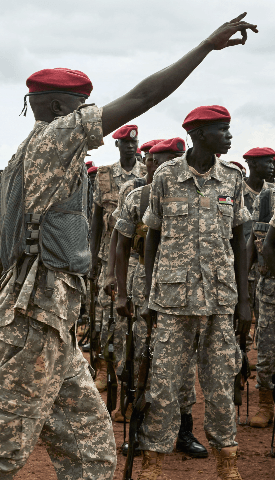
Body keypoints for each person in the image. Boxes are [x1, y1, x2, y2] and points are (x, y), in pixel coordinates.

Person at [0, 13, 258, 480]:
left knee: (91, 450)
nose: (92, 115)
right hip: (38, 318)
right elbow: (144, 97)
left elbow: (6, 255)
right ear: (63, 107)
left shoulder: (22, 156)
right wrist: (206, 45)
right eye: (83, 105)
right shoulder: (57, 135)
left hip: (49, 319)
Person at [140, 104, 253, 479]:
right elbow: (152, 235)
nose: (230, 136)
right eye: (223, 130)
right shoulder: (166, 177)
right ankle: (153, 463)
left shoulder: (233, 179)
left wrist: (244, 300)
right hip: (173, 301)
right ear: (200, 134)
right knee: (164, 384)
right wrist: (149, 295)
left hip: (220, 299)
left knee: (221, 382)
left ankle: (228, 463)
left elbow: (241, 240)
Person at [114, 137, 207, 458]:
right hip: (143, 280)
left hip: (184, 287)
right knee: (141, 356)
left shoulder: (197, 193)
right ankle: (139, 431)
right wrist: (121, 291)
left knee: (182, 360)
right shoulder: (137, 197)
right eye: (153, 160)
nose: (157, 165)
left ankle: (183, 431)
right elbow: (121, 245)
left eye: (165, 159)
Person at [91, 124, 145, 393]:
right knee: (104, 314)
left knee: (130, 317)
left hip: (137, 254)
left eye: (134, 143)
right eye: (125, 143)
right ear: (118, 146)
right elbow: (96, 222)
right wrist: (91, 259)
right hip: (107, 257)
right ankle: (103, 366)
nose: (130, 147)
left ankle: (128, 375)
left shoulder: (147, 174)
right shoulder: (104, 175)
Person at [245, 148, 275, 429]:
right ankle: (266, 402)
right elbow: (255, 241)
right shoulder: (268, 198)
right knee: (266, 349)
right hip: (269, 285)